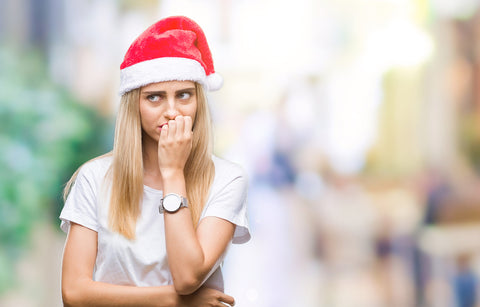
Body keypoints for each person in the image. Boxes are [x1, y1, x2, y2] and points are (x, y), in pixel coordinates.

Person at [59, 16, 250, 307]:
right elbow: (74, 293)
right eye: (154, 98)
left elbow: (187, 277)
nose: (171, 111)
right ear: (134, 104)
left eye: (184, 95)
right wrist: (176, 300)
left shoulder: (227, 178)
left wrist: (173, 172)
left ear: (199, 99)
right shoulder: (94, 178)